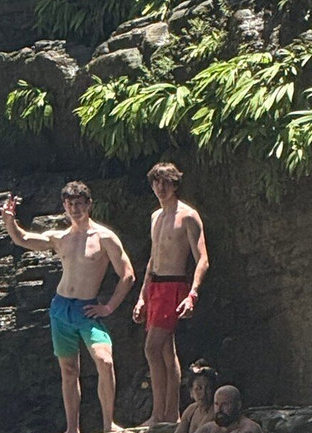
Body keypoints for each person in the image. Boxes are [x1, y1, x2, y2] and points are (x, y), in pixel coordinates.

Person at [2, 181, 135, 433]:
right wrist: (10, 221)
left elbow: (127, 275)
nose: (74, 209)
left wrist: (108, 307)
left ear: (89, 204)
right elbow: (23, 239)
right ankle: (72, 429)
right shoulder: (60, 237)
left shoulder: (105, 237)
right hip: (61, 308)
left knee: (104, 361)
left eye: (79, 203)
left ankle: (109, 426)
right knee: (69, 370)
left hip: (87, 309)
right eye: (70, 204)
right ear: (64, 206)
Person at [132, 162, 209, 426]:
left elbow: (203, 259)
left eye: (166, 182)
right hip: (155, 286)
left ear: (175, 184)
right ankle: (171, 415)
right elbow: (153, 260)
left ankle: (158, 413)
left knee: (151, 348)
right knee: (165, 351)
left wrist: (192, 294)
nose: (161, 188)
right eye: (156, 182)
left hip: (174, 286)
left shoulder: (188, 215)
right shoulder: (155, 217)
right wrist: (142, 296)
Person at [174, 360, 219, 433]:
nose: (203, 393)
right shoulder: (191, 410)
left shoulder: (216, 412)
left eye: (208, 388)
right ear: (191, 391)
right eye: (199, 388)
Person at [197, 385, 262, 433]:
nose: (219, 409)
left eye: (225, 404)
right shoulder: (208, 429)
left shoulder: (250, 429)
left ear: (238, 405)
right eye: (216, 404)